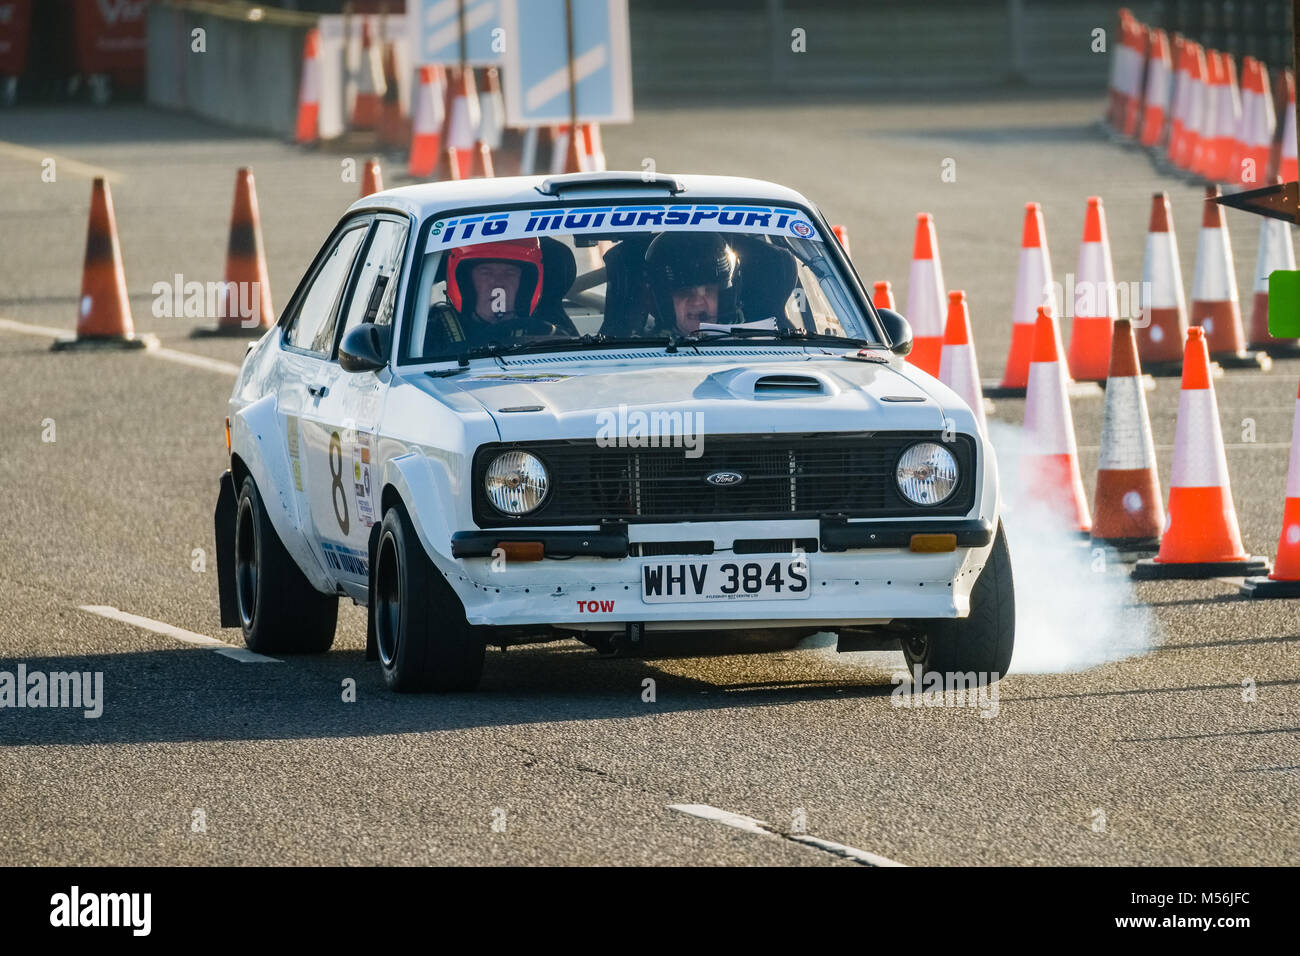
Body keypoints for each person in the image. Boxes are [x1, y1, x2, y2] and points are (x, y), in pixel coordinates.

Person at [428, 238, 562, 352]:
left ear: (524, 285)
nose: (498, 282)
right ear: (466, 282)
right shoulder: (431, 334)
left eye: (510, 273)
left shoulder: (545, 336)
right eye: (486, 272)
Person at [643, 232, 743, 335]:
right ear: (662, 301)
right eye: (684, 291)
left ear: (725, 298)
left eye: (708, 290)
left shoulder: (755, 339)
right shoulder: (635, 347)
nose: (697, 302)